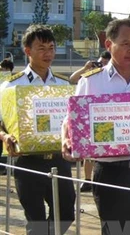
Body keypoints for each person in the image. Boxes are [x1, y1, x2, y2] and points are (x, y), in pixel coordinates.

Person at [62, 19, 130, 235]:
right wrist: (66, 139)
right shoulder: (92, 81)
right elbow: (71, 119)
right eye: (125, 43)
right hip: (109, 171)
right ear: (108, 45)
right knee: (114, 230)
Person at [0, 24, 75, 235]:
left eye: (51, 47)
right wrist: (4, 136)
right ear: (27, 51)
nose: (48, 53)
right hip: (28, 160)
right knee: (36, 220)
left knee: (66, 213)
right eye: (41, 48)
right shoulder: (10, 86)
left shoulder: (63, 85)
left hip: (59, 160)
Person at [68, 50, 111, 192]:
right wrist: (86, 68)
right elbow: (72, 79)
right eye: (100, 63)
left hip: (109, 118)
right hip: (93, 117)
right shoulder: (91, 77)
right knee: (89, 154)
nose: (102, 66)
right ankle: (87, 179)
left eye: (105, 63)